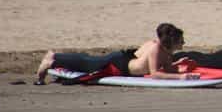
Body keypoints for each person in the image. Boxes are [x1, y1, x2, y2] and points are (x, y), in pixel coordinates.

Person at [35, 23, 199, 84]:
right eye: (181, 41)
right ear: (173, 42)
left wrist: (179, 66)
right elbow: (155, 74)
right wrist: (181, 77)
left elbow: (165, 68)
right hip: (118, 65)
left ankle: (55, 57)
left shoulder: (163, 50)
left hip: (124, 60)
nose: (183, 43)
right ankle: (52, 60)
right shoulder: (156, 49)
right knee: (88, 63)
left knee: (88, 60)